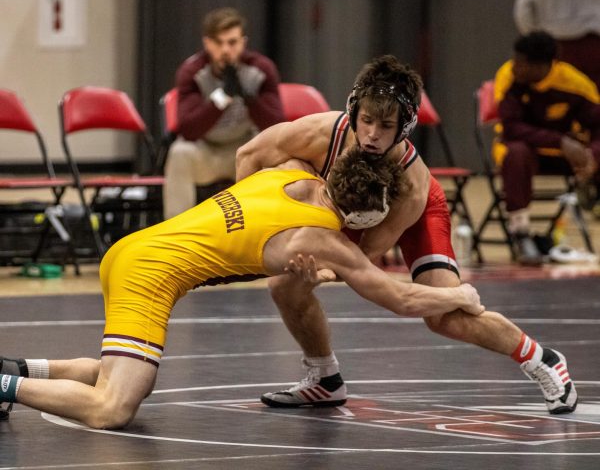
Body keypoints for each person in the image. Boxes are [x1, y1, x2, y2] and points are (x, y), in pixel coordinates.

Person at [0, 148, 485, 429]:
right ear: (365, 214)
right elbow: (398, 296)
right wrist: (457, 295)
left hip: (132, 251)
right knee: (114, 407)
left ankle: (17, 370)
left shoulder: (290, 170)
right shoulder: (321, 238)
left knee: (119, 377)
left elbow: (257, 181)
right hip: (148, 276)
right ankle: (2, 386)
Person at [236, 54, 578, 414]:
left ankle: (542, 358)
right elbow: (248, 155)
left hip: (410, 215)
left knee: (445, 317)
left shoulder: (411, 184)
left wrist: (319, 270)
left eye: (385, 125)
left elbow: (364, 258)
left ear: (405, 125)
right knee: (284, 284)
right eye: (366, 120)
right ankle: (325, 379)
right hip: (345, 207)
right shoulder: (321, 133)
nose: (371, 134)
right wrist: (257, 225)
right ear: (354, 112)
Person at [163, 7, 285, 219]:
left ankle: (268, 228)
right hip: (207, 152)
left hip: (245, 149)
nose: (226, 50)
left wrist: (249, 99)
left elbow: (276, 126)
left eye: (232, 42)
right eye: (219, 43)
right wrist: (221, 98)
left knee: (276, 151)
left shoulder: (261, 69)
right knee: (179, 152)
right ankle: (176, 232)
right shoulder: (192, 72)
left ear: (243, 42)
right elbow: (188, 129)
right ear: (207, 43)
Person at [494, 31, 600, 264]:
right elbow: (511, 128)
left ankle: (592, 195)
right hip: (525, 151)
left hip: (566, 156)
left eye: (521, 62)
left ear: (541, 66)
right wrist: (561, 141)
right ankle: (521, 233)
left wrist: (592, 155)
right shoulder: (508, 77)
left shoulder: (575, 83)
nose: (515, 66)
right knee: (517, 152)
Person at [514, 0, 600, 90]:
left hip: (554, 45)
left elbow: (523, 10)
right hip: (592, 43)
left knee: (554, 97)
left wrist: (536, 43)